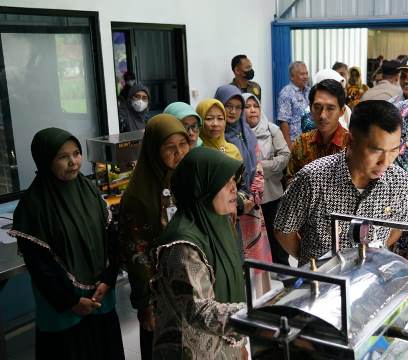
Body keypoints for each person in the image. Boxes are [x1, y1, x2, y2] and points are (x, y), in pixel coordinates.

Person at [9, 128, 124, 359]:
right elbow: (39, 266)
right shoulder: (34, 206)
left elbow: (111, 238)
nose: (73, 162)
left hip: (100, 298)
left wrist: (109, 278)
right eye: (63, 157)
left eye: (76, 153)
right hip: (64, 310)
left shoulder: (89, 191)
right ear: (45, 160)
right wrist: (71, 301)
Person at [275, 100, 408, 266]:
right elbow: (284, 230)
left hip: (370, 280)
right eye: (376, 151)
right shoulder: (312, 178)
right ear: (349, 141)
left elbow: (398, 228)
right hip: (322, 283)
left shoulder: (400, 181)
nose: (385, 161)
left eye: (393, 150)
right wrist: (312, 263)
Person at [152, 147, 247, 360]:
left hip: (224, 345)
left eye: (234, 180)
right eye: (224, 182)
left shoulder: (218, 221)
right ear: (202, 188)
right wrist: (254, 315)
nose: (234, 189)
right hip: (192, 350)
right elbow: (200, 310)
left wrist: (239, 343)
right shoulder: (182, 245)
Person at [119, 114, 190, 360]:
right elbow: (136, 255)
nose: (179, 153)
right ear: (153, 150)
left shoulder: (187, 178)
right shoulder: (138, 195)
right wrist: (144, 303)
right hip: (158, 293)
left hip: (189, 284)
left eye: (183, 145)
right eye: (170, 148)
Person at [215, 84, 272, 296]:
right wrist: (240, 202)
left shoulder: (248, 134)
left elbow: (258, 166)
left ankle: (262, 305)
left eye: (237, 107)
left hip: (253, 209)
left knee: (257, 259)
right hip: (232, 210)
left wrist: (254, 197)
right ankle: (241, 304)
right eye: (227, 106)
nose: (232, 111)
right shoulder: (216, 140)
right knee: (237, 259)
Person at [243, 92, 291, 266]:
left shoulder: (271, 129)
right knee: (254, 241)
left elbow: (285, 155)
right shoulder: (236, 135)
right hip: (248, 198)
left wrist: (263, 167)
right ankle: (260, 280)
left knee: (276, 237)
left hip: (271, 194)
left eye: (255, 106)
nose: (252, 110)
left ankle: (284, 274)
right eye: (247, 107)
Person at [287, 79, 349, 179]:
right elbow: (290, 181)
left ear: (342, 111)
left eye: (330, 108)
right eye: (317, 107)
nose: (323, 115)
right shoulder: (302, 143)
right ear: (310, 109)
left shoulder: (351, 145)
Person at [278, 61, 310, 149]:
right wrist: (289, 148)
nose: (306, 77)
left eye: (306, 73)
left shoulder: (309, 91)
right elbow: (283, 122)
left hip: (310, 141)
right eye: (302, 74)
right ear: (292, 77)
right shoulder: (286, 93)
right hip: (295, 143)